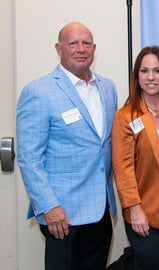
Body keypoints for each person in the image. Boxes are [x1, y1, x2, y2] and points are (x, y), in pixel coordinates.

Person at [16, 22, 117, 270]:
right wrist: (49, 206)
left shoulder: (107, 88)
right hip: (63, 214)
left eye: (86, 43)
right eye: (73, 43)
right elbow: (30, 159)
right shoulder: (38, 92)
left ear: (94, 48)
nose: (81, 49)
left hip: (101, 210)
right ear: (58, 48)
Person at [112, 46, 159, 270]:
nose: (151, 77)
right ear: (137, 76)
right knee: (151, 264)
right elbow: (122, 169)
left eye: (158, 70)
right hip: (144, 204)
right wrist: (134, 209)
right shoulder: (126, 116)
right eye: (144, 71)